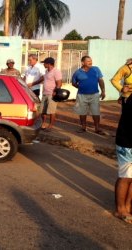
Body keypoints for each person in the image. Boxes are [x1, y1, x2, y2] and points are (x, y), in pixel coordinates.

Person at [111, 58, 132, 223]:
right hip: (127, 142)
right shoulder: (129, 98)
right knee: (125, 177)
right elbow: (115, 80)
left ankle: (128, 207)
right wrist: (122, 90)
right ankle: (120, 209)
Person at [72, 55, 106, 134]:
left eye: (91, 61)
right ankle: (83, 127)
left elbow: (100, 80)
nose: (90, 62)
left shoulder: (96, 69)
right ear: (83, 63)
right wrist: (81, 87)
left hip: (94, 95)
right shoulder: (77, 72)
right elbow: (73, 83)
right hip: (81, 95)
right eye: (88, 61)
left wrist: (103, 91)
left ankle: (97, 128)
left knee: (96, 112)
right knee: (82, 112)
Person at [36, 57, 62, 131]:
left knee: (51, 111)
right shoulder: (46, 71)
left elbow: (59, 83)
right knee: (42, 110)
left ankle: (50, 126)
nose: (43, 64)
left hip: (52, 94)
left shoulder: (56, 71)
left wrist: (55, 92)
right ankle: (43, 124)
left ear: (49, 64)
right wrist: (33, 83)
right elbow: (43, 79)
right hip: (45, 93)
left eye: (45, 63)